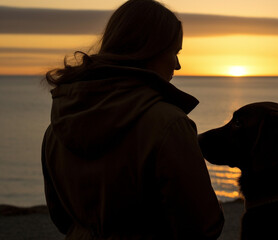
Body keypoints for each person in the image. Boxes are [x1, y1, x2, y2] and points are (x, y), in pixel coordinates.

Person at [41, 0, 224, 239]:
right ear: (148, 50)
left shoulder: (58, 125)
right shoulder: (167, 124)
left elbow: (61, 216)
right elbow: (201, 225)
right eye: (174, 52)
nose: (177, 65)